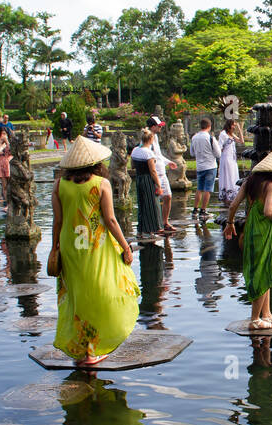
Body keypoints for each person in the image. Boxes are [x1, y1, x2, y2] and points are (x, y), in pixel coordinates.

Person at [51, 136, 140, 368]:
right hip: (95, 246)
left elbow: (57, 221)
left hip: (71, 246)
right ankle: (92, 351)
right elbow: (110, 219)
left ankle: (81, 352)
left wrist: (54, 249)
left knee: (78, 295)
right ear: (96, 163)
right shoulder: (101, 184)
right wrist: (125, 246)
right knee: (100, 292)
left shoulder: (60, 185)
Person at [223, 152, 272, 330]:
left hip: (252, 227)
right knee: (263, 270)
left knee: (265, 268)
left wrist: (230, 224)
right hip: (265, 229)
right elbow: (268, 212)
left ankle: (267, 313)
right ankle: (255, 319)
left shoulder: (250, 182)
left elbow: (233, 205)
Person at [146, 116, 179, 232]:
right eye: (159, 126)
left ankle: (165, 222)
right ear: (153, 127)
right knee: (153, 200)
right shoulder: (147, 139)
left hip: (161, 171)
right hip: (154, 173)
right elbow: (149, 156)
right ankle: (155, 225)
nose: (160, 128)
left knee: (168, 196)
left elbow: (158, 155)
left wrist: (168, 161)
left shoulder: (155, 137)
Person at [131, 128, 163, 239]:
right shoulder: (149, 153)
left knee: (141, 204)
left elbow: (132, 166)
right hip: (147, 179)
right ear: (150, 139)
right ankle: (148, 231)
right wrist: (158, 185)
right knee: (150, 204)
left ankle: (139, 230)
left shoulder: (135, 150)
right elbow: (153, 171)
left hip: (139, 178)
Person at [190, 117, 222, 222]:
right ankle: (203, 210)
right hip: (210, 166)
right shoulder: (210, 138)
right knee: (208, 189)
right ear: (209, 126)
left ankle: (195, 209)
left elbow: (192, 153)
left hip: (200, 166)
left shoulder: (194, 137)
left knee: (199, 188)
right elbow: (218, 154)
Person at [218, 119, 244, 203]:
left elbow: (241, 141)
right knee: (227, 175)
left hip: (232, 159)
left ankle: (232, 195)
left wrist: (240, 130)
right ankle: (226, 195)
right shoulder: (223, 134)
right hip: (226, 158)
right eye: (233, 125)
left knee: (233, 175)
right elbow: (220, 147)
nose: (234, 127)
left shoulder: (231, 134)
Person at [0, 122, 12, 206]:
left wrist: (7, 141)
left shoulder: (9, 143)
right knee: (4, 185)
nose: (3, 135)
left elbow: (12, 152)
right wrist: (1, 142)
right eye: (2, 134)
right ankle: (6, 202)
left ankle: (11, 201)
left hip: (8, 163)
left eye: (4, 134)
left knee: (10, 184)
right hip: (1, 163)